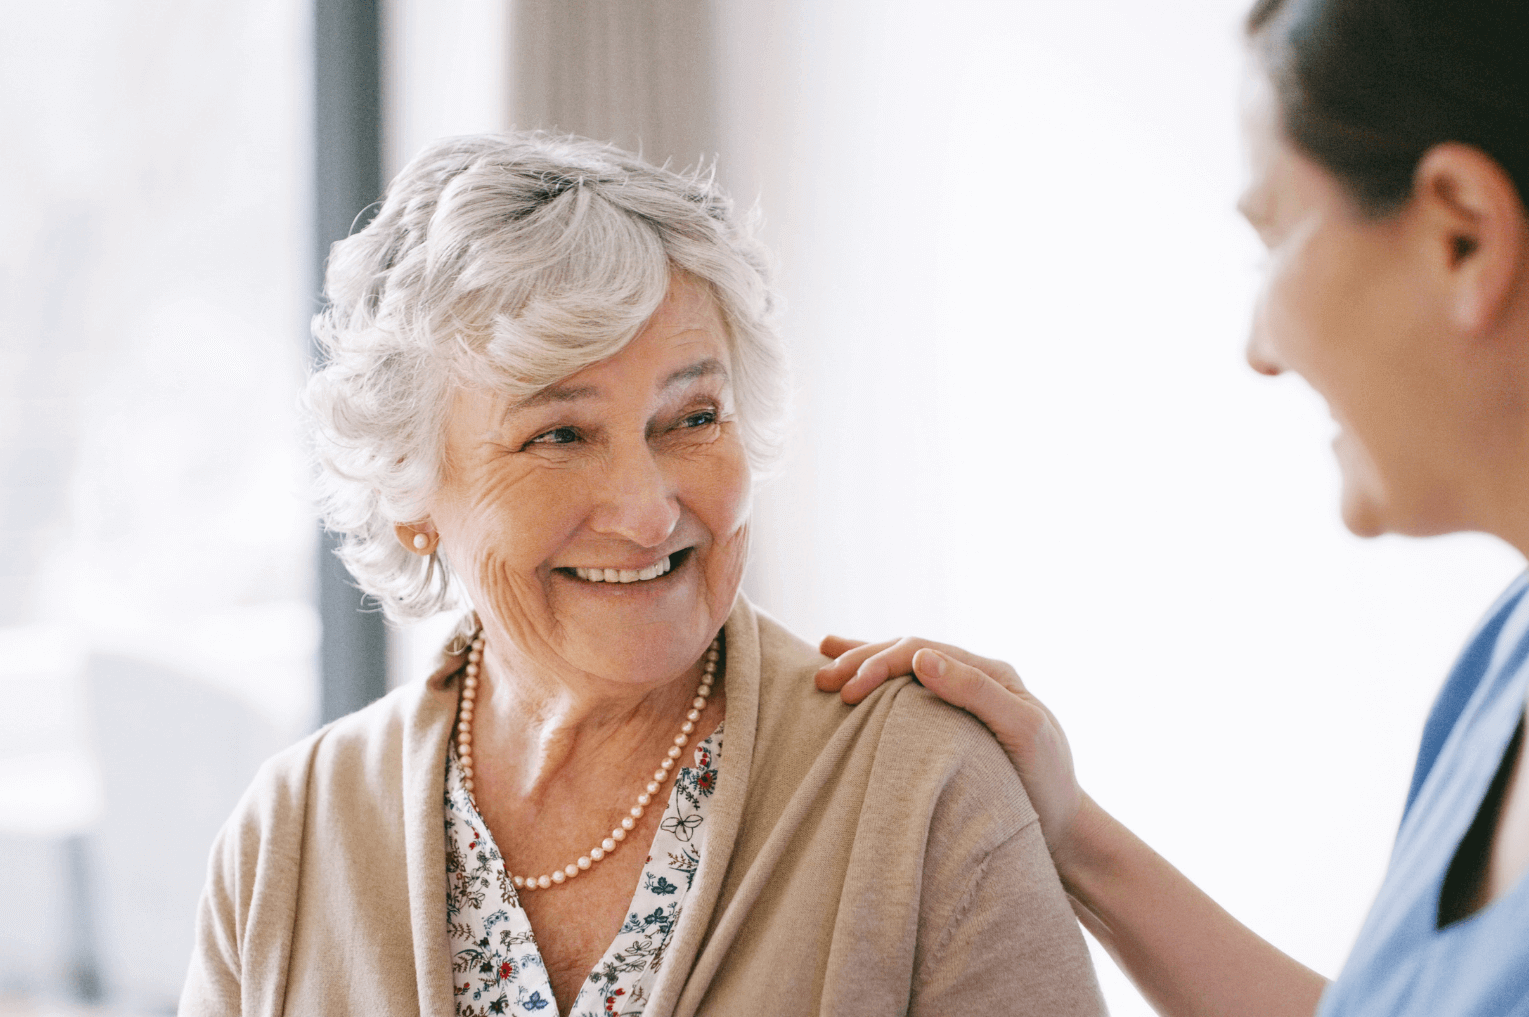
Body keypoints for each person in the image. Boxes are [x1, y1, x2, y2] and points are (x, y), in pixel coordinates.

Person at [177, 133, 1103, 1017]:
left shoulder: (921, 786)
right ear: (410, 492)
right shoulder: (288, 839)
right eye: (560, 435)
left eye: (692, 417)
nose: (648, 510)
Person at [816, 0, 1529, 1015]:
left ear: (1460, 232)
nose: (1260, 346)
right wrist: (1070, 833)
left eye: (1269, 238)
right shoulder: (1499, 665)